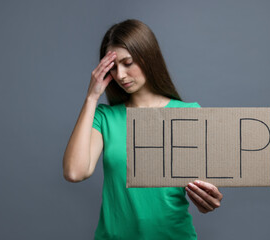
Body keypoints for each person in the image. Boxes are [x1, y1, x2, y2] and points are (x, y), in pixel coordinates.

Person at [63, 19, 223, 239]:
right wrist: (92, 96)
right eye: (113, 67)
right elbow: (75, 172)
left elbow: (204, 190)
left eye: (127, 63)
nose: (120, 75)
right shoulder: (105, 117)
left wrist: (207, 200)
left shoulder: (189, 113)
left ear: (147, 57)